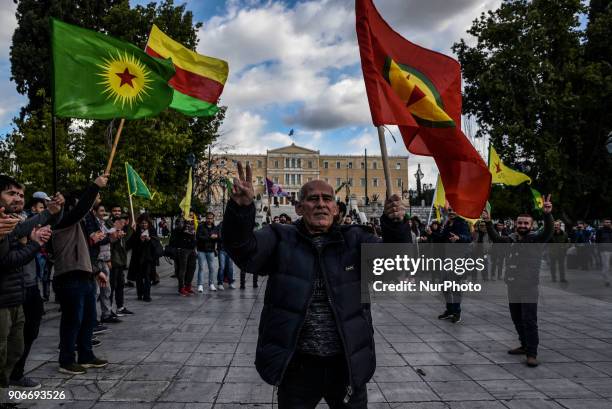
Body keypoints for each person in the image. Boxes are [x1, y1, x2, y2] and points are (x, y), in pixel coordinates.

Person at [223, 163, 411, 409]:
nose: (321, 203)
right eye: (313, 199)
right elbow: (243, 251)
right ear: (299, 207)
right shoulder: (280, 238)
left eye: (327, 199)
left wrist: (395, 226)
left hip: (346, 364)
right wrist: (241, 210)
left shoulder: (355, 240)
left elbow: (396, 266)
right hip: (297, 365)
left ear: (335, 208)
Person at [0, 176, 59, 392]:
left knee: (15, 349)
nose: (17, 198)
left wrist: (49, 214)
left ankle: (10, 383)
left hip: (19, 292)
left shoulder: (13, 219)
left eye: (20, 194)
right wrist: (34, 244)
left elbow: (20, 230)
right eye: (11, 193)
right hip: (5, 297)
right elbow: (8, 261)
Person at [482, 195, 554, 368]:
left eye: (526, 223)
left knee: (529, 319)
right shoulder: (512, 239)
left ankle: (532, 353)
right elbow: (497, 240)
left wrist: (547, 215)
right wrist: (489, 222)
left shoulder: (536, 240)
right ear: (515, 224)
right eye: (520, 223)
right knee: (516, 318)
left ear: (531, 225)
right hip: (513, 285)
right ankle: (523, 344)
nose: (522, 225)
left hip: (529, 286)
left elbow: (548, 231)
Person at [51, 174, 110, 375]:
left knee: (88, 319)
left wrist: (96, 271)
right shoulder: (62, 222)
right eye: (77, 205)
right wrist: (94, 187)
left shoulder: (80, 226)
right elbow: (81, 208)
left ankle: (86, 355)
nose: (83, 210)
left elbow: (83, 252)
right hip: (69, 277)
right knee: (72, 320)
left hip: (85, 276)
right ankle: (66, 360)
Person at [437, 210, 471, 323]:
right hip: (446, 259)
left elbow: (468, 238)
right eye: (450, 210)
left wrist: (459, 238)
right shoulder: (447, 223)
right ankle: (450, 309)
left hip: (458, 259)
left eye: (454, 210)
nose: (451, 212)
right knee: (444, 285)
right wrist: (431, 233)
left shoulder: (462, 223)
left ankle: (457, 312)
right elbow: (441, 239)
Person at [126, 214, 158, 302]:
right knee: (139, 277)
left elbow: (156, 244)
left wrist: (149, 240)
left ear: (148, 223)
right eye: (142, 223)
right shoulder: (136, 231)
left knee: (147, 277)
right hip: (138, 258)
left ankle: (147, 295)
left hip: (148, 258)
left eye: (145, 223)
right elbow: (130, 244)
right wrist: (139, 240)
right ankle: (140, 294)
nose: (144, 225)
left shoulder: (152, 231)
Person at [108, 211, 133, 315]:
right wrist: (116, 237)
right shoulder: (111, 232)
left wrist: (131, 229)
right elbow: (109, 246)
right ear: (115, 223)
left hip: (120, 263)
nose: (123, 225)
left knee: (120, 285)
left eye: (123, 223)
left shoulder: (122, 232)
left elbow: (128, 243)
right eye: (120, 223)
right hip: (114, 263)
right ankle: (108, 310)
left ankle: (120, 307)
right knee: (112, 286)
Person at [169, 213, 197, 296]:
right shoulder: (182, 224)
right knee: (183, 269)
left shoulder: (193, 225)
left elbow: (194, 236)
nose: (191, 217)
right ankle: (181, 288)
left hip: (192, 249)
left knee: (192, 268)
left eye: (192, 215)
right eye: (189, 215)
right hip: (183, 249)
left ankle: (188, 286)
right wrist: (183, 219)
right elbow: (179, 229)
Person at [196, 212, 219, 292]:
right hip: (201, 250)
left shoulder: (215, 228)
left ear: (213, 219)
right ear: (206, 218)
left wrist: (216, 237)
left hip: (211, 250)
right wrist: (210, 237)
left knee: (212, 268)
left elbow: (217, 238)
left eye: (211, 218)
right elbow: (198, 237)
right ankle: (200, 285)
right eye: (208, 218)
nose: (209, 220)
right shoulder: (201, 227)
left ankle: (211, 284)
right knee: (201, 268)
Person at [216, 221, 236, 289]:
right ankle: (220, 283)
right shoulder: (221, 225)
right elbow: (219, 236)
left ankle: (230, 282)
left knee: (230, 267)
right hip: (222, 249)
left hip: (230, 250)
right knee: (222, 266)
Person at [596, 218, 612, 286]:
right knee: (606, 266)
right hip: (604, 250)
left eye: (609, 222)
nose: (608, 223)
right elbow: (597, 241)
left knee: (607, 266)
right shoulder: (600, 231)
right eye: (606, 222)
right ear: (603, 223)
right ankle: (606, 280)